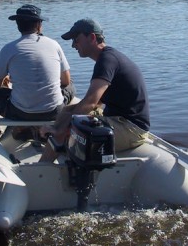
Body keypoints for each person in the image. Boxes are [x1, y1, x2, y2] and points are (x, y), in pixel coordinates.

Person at [40, 18, 150, 162]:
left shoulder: (107, 60)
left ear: (92, 37)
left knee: (70, 130)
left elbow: (91, 102)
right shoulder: (106, 58)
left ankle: (43, 168)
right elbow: (97, 103)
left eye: (76, 40)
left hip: (131, 129)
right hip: (117, 119)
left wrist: (61, 129)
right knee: (66, 111)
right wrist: (64, 121)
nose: (73, 45)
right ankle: (54, 155)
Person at [0, 4, 75, 122]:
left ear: (18, 25)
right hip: (54, 112)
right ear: (39, 25)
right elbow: (66, 81)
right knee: (70, 83)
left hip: (20, 113)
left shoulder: (9, 48)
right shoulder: (54, 44)